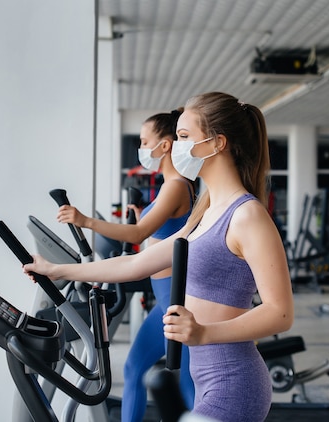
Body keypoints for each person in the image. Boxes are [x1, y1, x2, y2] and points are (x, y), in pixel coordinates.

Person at [23, 91, 294, 422]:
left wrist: (205, 333)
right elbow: (137, 263)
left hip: (234, 385)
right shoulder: (206, 210)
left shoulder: (247, 216)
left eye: (183, 137)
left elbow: (280, 313)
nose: (176, 147)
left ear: (217, 143)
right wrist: (57, 269)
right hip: (207, 379)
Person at [56, 109, 196, 421]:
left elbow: (138, 234)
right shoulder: (168, 187)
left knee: (189, 384)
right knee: (134, 368)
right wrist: (141, 212)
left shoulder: (176, 186)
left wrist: (86, 221)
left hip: (179, 301)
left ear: (165, 145)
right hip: (164, 299)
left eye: (146, 141)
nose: (142, 148)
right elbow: (152, 235)